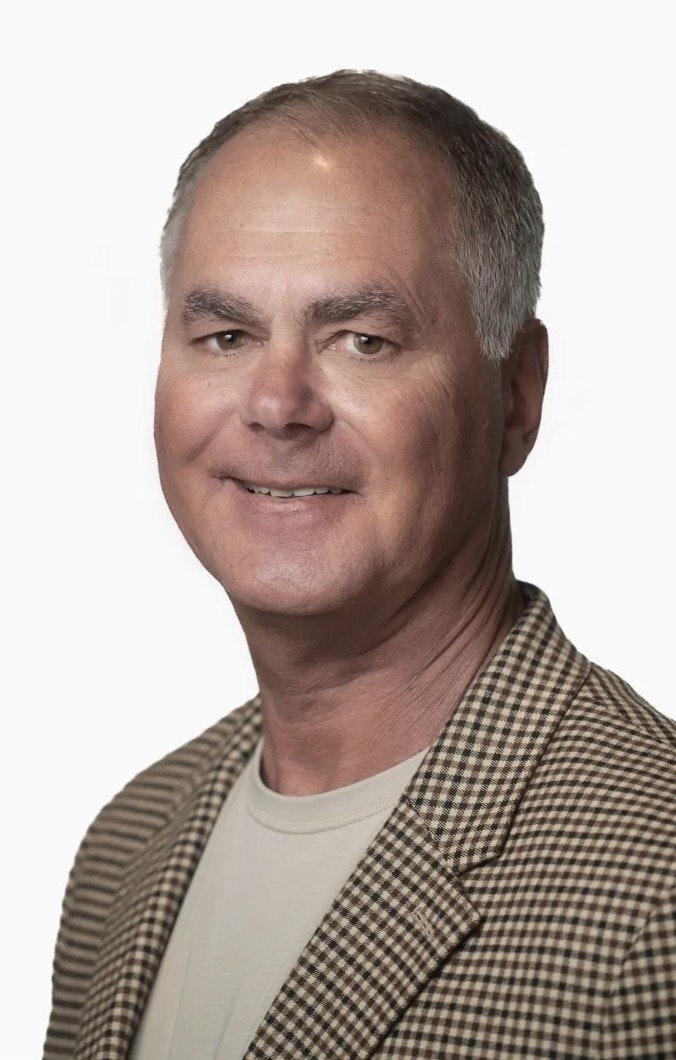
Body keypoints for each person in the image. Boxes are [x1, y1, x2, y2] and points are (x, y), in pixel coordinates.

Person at [44, 71, 675, 1060]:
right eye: (225, 336)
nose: (277, 404)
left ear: (516, 393)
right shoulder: (127, 846)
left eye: (363, 340)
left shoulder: (653, 887)